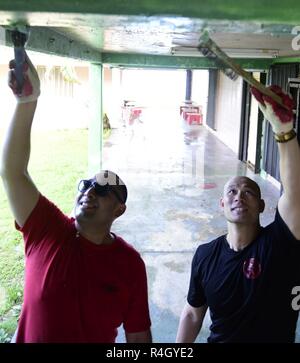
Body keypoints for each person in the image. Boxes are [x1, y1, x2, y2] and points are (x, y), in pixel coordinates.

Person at [0, 53, 152, 343]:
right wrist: (27, 101)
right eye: (86, 184)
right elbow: (12, 171)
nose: (90, 191)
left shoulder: (129, 264)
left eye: (104, 190)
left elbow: (139, 337)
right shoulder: (47, 230)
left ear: (120, 210)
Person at [176, 85, 300, 343]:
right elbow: (192, 314)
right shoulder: (205, 255)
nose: (239, 195)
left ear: (263, 205)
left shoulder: (279, 244)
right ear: (222, 204)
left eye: (249, 192)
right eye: (231, 191)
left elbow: (295, 192)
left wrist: (284, 131)